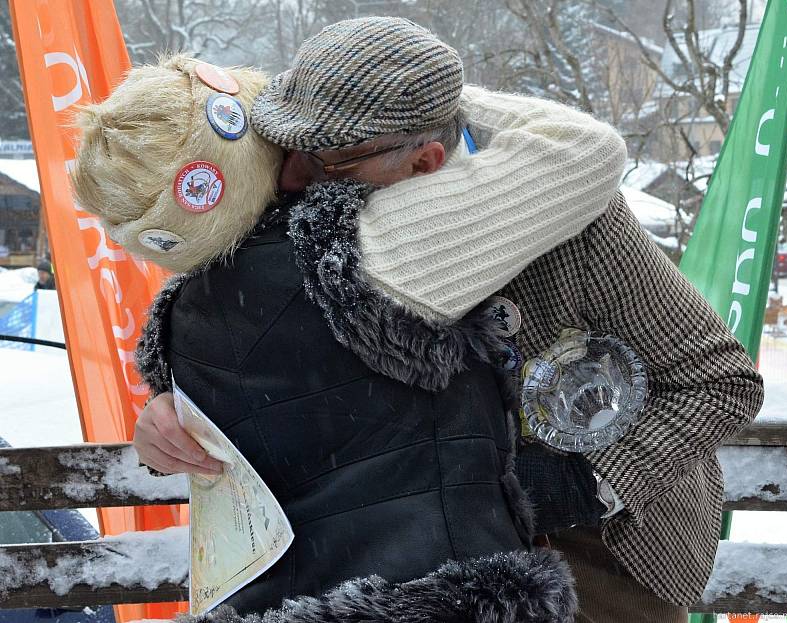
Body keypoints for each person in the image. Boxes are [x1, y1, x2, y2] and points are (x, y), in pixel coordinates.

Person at [244, 16, 762, 623]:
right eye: (290, 150)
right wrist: (177, 403)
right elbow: (235, 331)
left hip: (601, 557)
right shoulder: (315, 207)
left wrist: (587, 481)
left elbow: (722, 382)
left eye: (327, 163)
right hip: (414, 558)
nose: (289, 179)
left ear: (425, 162)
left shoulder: (576, 223)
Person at [72, 53, 594, 622]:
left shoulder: (186, 315)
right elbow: (581, 149)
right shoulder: (375, 247)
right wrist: (441, 103)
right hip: (441, 594)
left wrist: (165, 414)